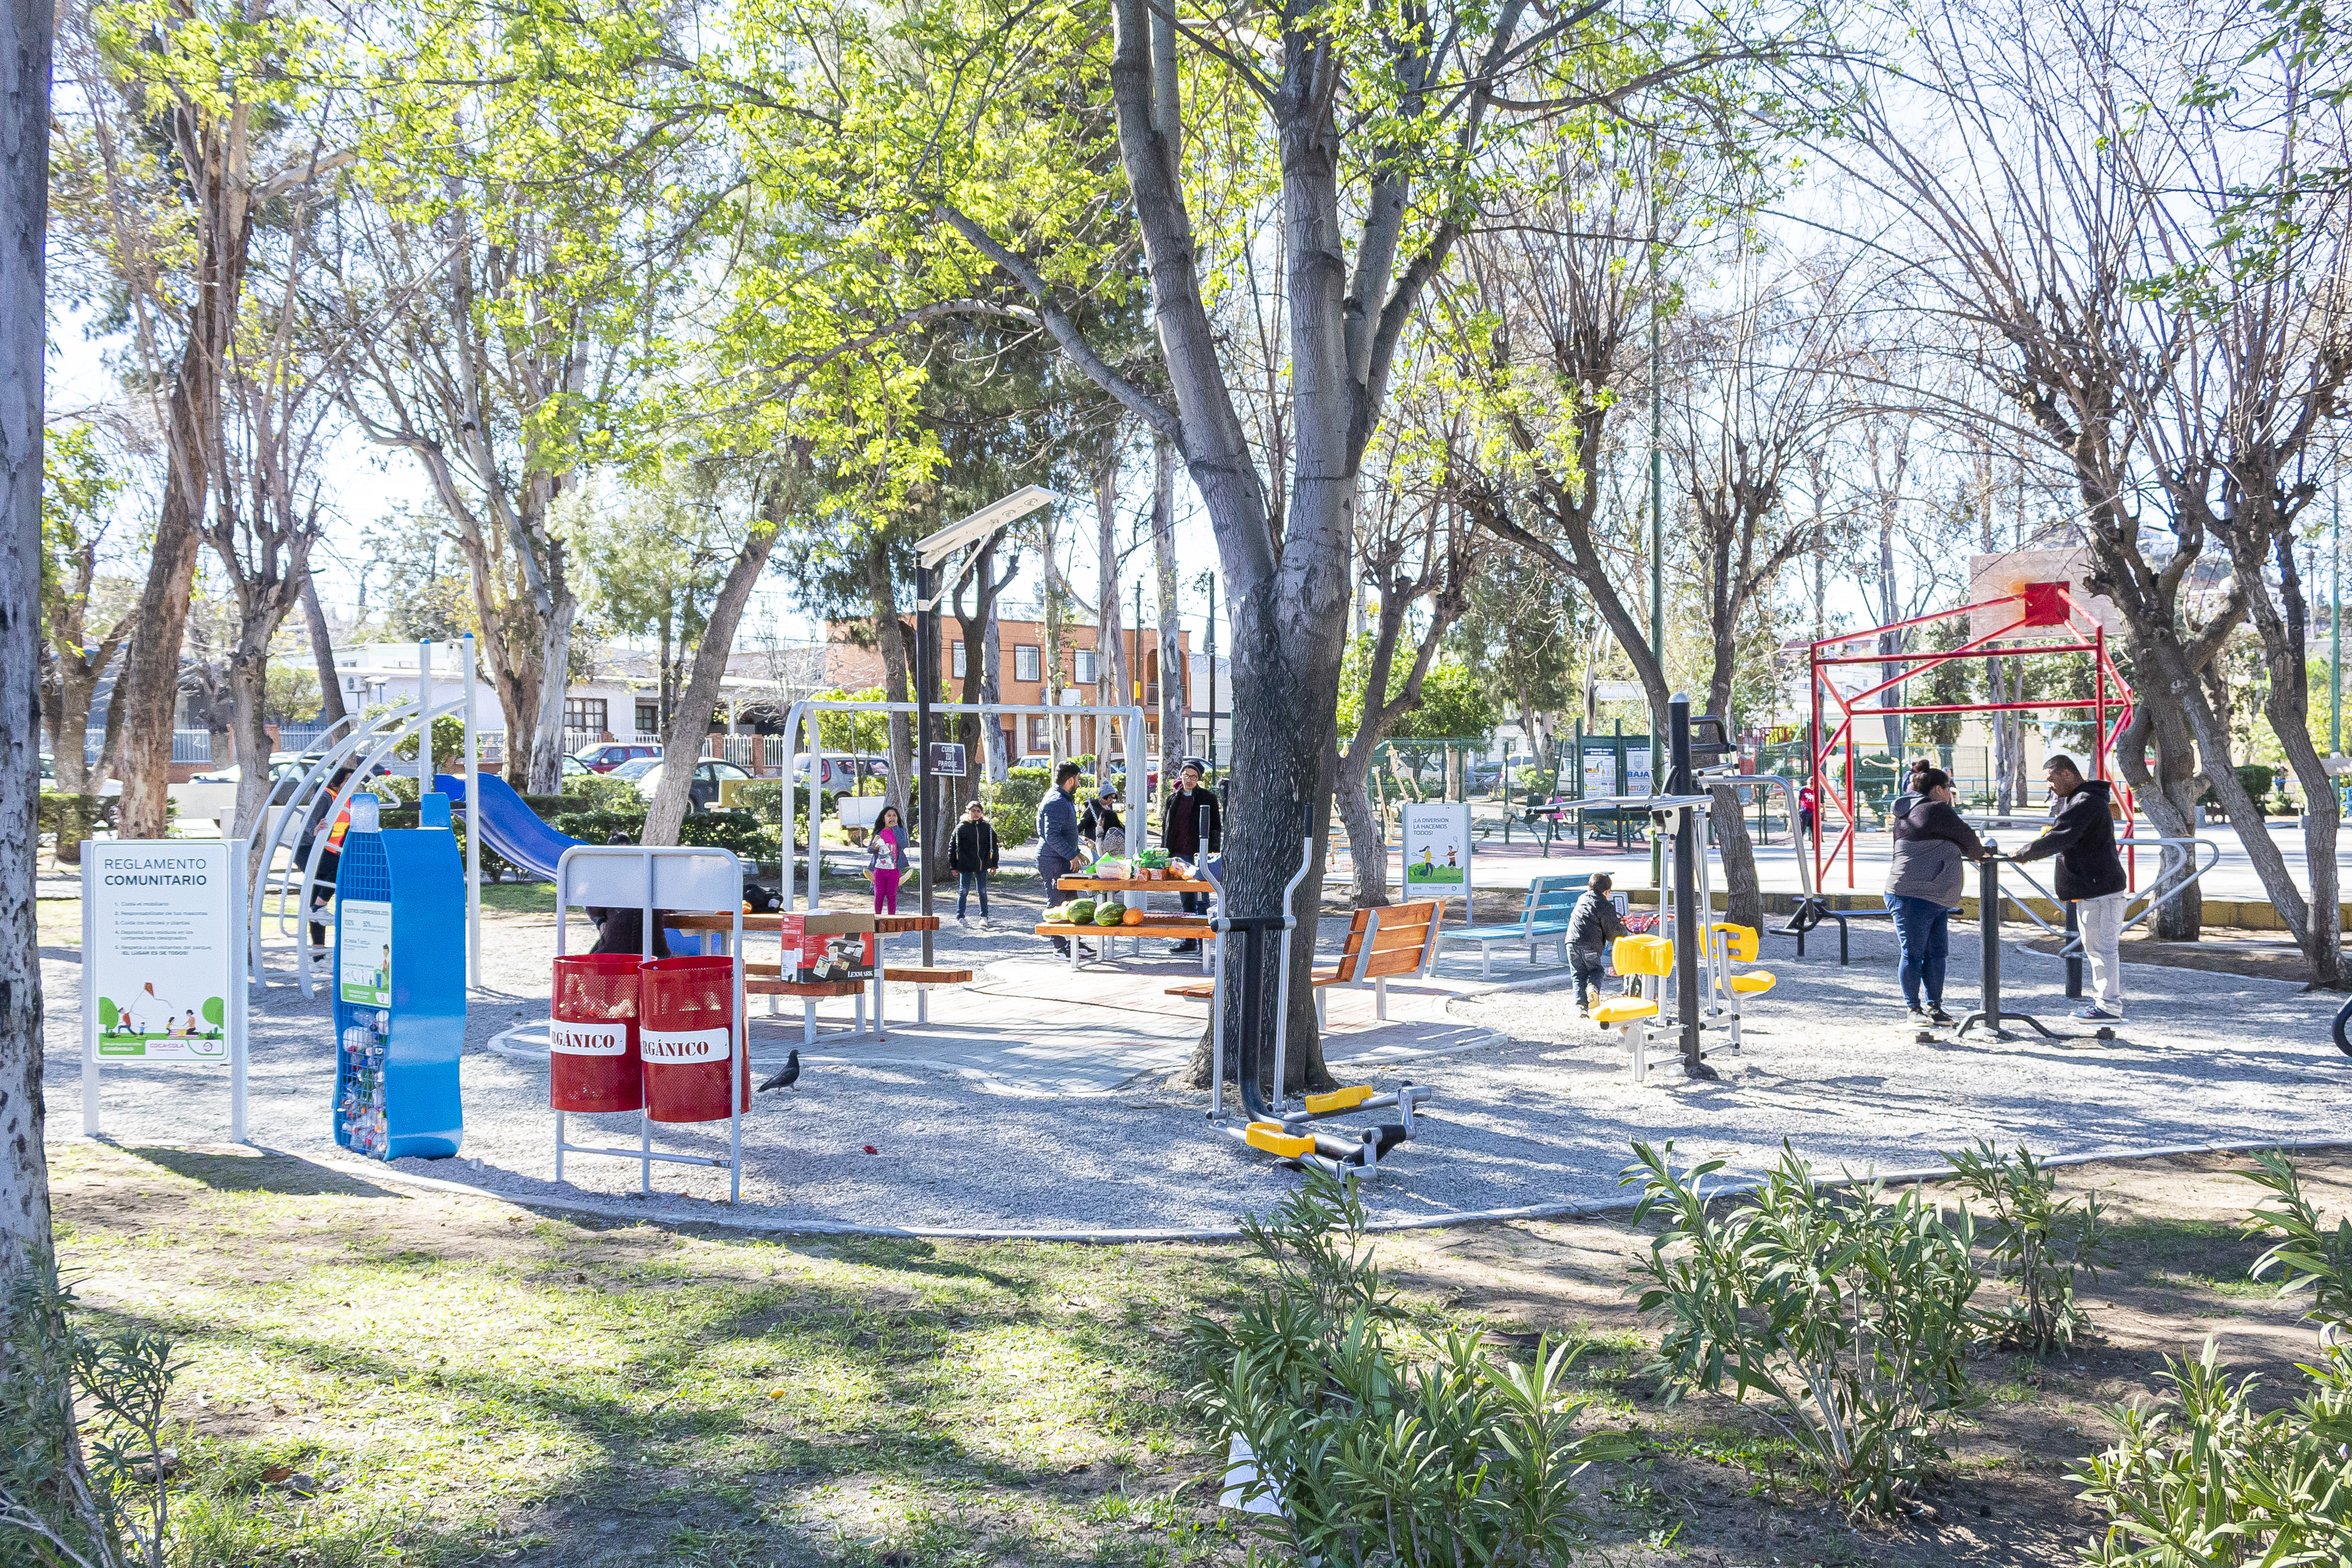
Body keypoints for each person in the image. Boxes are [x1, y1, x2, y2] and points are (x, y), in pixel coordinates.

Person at [2008, 753, 2129, 1021]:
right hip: (2095, 889)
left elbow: (2062, 835)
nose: (2050, 786)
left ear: (2067, 773)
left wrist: (2024, 853)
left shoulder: (2085, 801)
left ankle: (2108, 1006)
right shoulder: (2082, 799)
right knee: (2097, 948)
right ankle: (2106, 1004)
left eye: (2051, 779)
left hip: (2100, 890)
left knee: (2102, 949)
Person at [1884, 765, 1989, 1025]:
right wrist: (1980, 854)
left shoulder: (1909, 810)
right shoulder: (1936, 809)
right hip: (1916, 893)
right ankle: (1917, 1009)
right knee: (1920, 953)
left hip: (1929, 893)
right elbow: (1966, 835)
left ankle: (1931, 1007)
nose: (1950, 796)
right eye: (1949, 790)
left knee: (1930, 952)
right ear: (1938, 790)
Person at [1158, 758, 1223, 953]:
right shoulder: (1173, 798)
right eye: (1186, 775)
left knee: (1203, 900)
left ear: (1199, 779)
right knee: (1187, 900)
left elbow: (1215, 828)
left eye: (1194, 776)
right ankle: (1190, 940)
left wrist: (1212, 853)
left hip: (1200, 854)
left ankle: (1205, 942)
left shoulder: (1208, 798)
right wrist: (1164, 852)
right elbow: (1166, 828)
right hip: (1179, 854)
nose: (1189, 780)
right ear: (1181, 776)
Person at [1037, 761, 1088, 957]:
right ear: (1070, 780)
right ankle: (1059, 947)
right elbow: (1052, 836)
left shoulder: (1062, 798)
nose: (1079, 784)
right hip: (1052, 861)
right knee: (1057, 905)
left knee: (1072, 904)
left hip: (1061, 860)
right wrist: (1072, 854)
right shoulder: (1057, 801)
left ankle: (1075, 944)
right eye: (1078, 780)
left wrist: (1076, 851)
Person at [1565, 873, 1628, 1013]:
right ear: (1607, 891)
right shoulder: (1605, 905)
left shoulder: (1582, 898)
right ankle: (1593, 989)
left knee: (1578, 974)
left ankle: (1581, 1007)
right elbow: (1613, 934)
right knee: (1596, 971)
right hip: (1590, 945)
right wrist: (1623, 931)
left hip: (1571, 942)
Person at [950, 799, 999, 923]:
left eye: (978, 811)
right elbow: (953, 847)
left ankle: (984, 916)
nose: (976, 814)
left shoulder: (987, 828)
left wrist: (994, 864)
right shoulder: (961, 827)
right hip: (965, 864)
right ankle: (960, 916)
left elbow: (994, 846)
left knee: (982, 891)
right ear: (968, 812)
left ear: (982, 813)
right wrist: (953, 866)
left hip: (981, 865)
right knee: (964, 890)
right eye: (973, 811)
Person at [867, 804, 907, 916]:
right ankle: (877, 916)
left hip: (894, 869)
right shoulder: (879, 832)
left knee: (892, 895)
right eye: (889, 815)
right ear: (883, 818)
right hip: (879, 869)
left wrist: (896, 828)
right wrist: (873, 848)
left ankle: (892, 917)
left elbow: (904, 844)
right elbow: (869, 850)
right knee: (879, 894)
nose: (892, 818)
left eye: (895, 816)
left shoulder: (900, 831)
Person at [1081, 787, 1125, 858]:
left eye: (1113, 799)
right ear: (1104, 796)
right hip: (1094, 838)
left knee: (1098, 861)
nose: (1111, 800)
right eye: (1110, 798)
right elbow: (1084, 821)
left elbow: (1102, 852)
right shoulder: (1094, 806)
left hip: (1103, 839)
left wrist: (1099, 829)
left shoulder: (1113, 832)